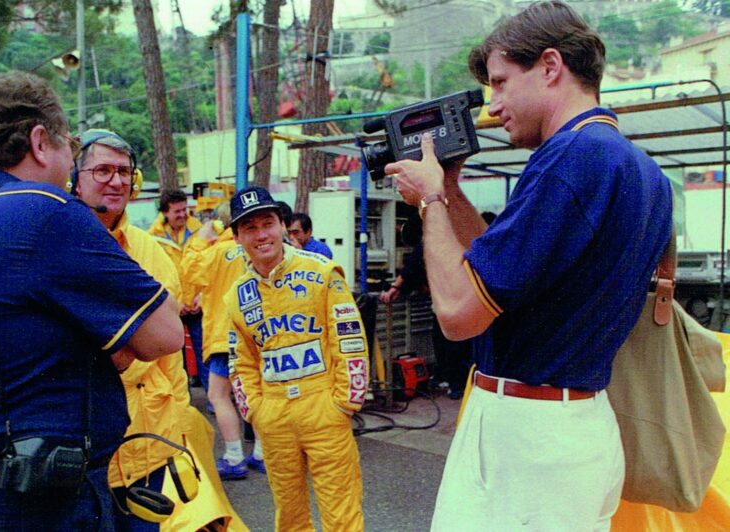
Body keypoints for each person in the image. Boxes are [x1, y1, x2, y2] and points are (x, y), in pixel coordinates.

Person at [384, 2, 672, 530]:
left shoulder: (570, 158)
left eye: (499, 83)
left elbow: (458, 313)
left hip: (530, 434)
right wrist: (447, 187)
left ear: (550, 66)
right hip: (575, 424)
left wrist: (428, 203)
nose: (492, 107)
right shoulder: (639, 169)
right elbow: (497, 266)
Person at [0, 72, 182, 529]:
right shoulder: (48, 212)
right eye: (70, 143)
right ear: (40, 141)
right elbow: (166, 333)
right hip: (43, 498)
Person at [72, 129, 244, 530]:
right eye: (102, 170)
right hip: (86, 450)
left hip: (152, 445)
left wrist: (180, 423)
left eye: (123, 171)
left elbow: (171, 354)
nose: (116, 181)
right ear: (75, 176)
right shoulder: (58, 242)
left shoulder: (151, 251)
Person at [225, 185, 369, 531]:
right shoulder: (236, 295)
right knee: (288, 515)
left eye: (268, 223)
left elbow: (349, 340)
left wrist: (344, 404)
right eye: (250, 228)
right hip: (274, 416)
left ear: (282, 225)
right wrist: (255, 411)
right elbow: (240, 360)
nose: (261, 235)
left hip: (324, 408)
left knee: (341, 515)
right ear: (237, 237)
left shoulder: (322, 271)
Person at [181, 202, 266, 481]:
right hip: (257, 334)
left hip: (223, 335)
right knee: (256, 395)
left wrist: (198, 241)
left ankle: (233, 456)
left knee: (219, 396)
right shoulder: (256, 249)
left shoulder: (216, 251)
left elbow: (189, 272)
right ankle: (262, 453)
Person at [379, 217, 471, 399]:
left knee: (452, 343)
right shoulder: (457, 236)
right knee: (445, 340)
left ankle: (456, 383)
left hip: (452, 300)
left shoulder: (437, 240)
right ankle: (449, 379)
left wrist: (396, 287)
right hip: (453, 299)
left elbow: (414, 265)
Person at [149, 190, 208, 391]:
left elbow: (209, 266)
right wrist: (175, 302)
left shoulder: (200, 231)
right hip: (170, 307)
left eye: (185, 209)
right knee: (174, 357)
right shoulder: (152, 238)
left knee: (205, 352)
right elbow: (154, 274)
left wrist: (202, 296)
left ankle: (213, 402)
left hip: (198, 304)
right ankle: (183, 402)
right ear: (165, 212)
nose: (183, 215)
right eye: (177, 211)